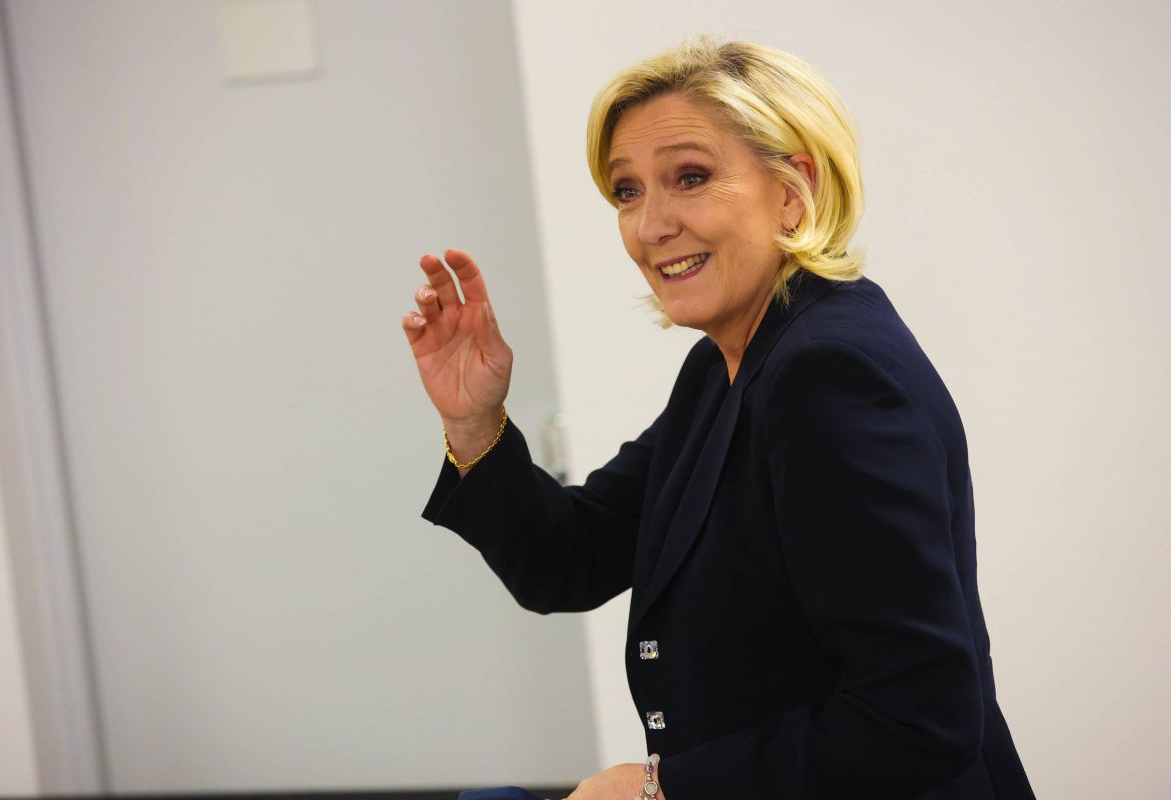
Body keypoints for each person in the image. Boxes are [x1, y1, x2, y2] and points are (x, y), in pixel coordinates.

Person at [401, 38, 1034, 799]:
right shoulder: (725, 366)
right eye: (627, 191)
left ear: (794, 190)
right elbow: (571, 557)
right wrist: (476, 423)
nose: (650, 225)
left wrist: (660, 788)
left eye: (690, 178)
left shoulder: (827, 375)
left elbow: (919, 717)